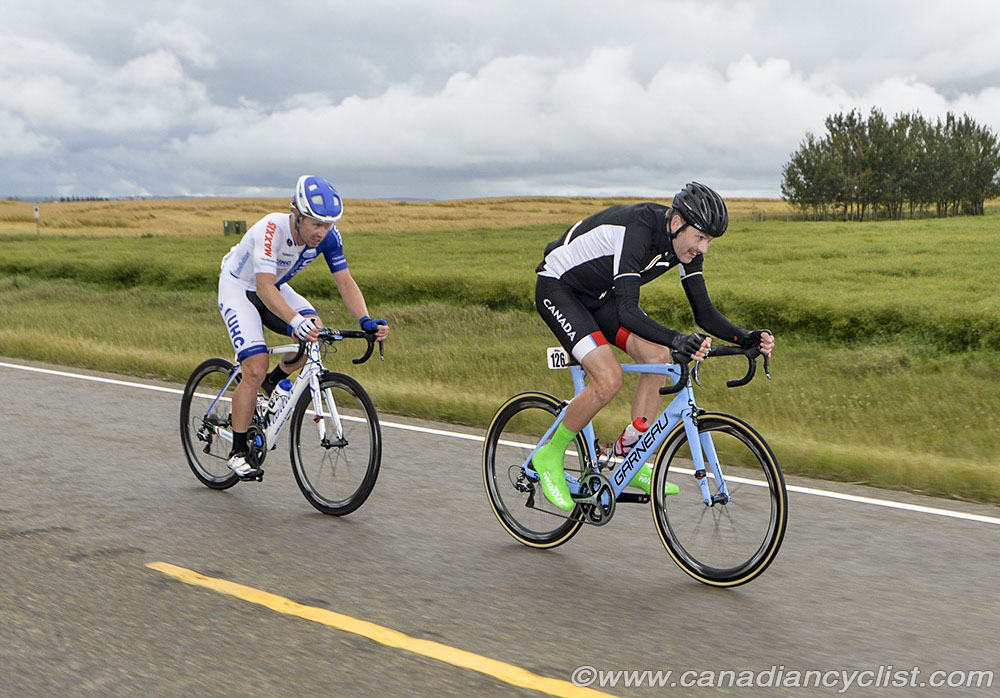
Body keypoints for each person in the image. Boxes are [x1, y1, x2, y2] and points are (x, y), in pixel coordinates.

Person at [532, 182, 774, 510]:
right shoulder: (640, 229)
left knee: (659, 358)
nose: (703, 249)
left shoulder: (683, 247)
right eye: (700, 238)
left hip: (601, 296)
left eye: (709, 241)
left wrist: (745, 337)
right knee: (608, 378)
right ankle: (550, 454)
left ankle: (631, 455)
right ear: (677, 224)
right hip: (559, 288)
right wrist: (677, 339)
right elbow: (628, 311)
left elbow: (702, 312)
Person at [218, 175, 389, 478]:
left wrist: (365, 320)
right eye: (315, 224)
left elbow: (345, 282)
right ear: (296, 215)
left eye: (327, 225)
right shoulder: (271, 229)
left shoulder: (329, 237)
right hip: (240, 288)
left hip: (274, 286)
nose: (321, 233)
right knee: (254, 367)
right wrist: (295, 321)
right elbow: (264, 287)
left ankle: (273, 383)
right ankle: (239, 450)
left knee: (316, 334)